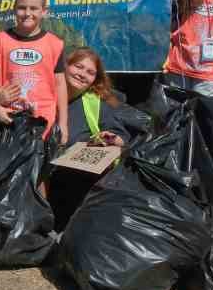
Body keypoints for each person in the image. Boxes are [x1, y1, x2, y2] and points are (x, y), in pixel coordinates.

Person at [49, 46, 146, 228]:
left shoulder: (96, 102)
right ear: (64, 67)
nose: (82, 74)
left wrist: (111, 139)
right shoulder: (42, 94)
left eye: (90, 72)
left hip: (73, 183)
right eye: (78, 67)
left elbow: (120, 136)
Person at [0, 0, 67, 141]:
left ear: (44, 11)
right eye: (22, 8)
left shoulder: (54, 44)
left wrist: (63, 124)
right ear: (14, 9)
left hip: (45, 125)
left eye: (34, 8)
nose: (27, 13)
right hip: (8, 121)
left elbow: (60, 84)